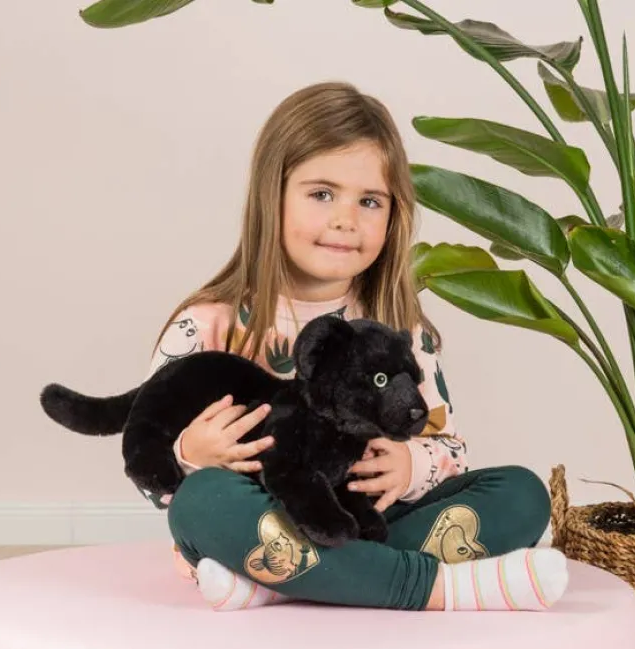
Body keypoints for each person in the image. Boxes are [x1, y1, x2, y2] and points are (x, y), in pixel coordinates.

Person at [137, 81, 568, 612]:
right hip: (253, 520)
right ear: (273, 198)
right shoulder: (207, 324)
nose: (346, 219)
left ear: (393, 215)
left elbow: (450, 447)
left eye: (369, 201)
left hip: (366, 524)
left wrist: (411, 465)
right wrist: (188, 456)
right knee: (201, 506)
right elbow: (146, 461)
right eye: (322, 194)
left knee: (522, 494)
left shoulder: (400, 331)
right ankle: (433, 589)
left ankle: (282, 582)